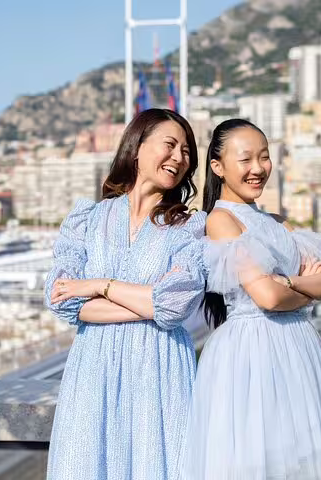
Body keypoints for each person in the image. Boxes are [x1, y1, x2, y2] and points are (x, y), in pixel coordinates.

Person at [182, 119, 321, 479]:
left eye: (264, 157)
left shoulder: (278, 222)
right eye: (245, 159)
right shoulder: (221, 220)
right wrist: (304, 286)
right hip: (252, 354)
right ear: (218, 167)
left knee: (298, 460)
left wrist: (288, 281)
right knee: (257, 460)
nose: (258, 168)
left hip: (297, 350)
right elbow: (268, 297)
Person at [45, 109, 206, 480]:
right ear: (137, 148)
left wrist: (99, 286)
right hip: (93, 372)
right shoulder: (89, 219)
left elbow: (175, 303)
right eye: (170, 145)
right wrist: (150, 302)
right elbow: (62, 299)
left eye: (186, 151)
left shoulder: (189, 227)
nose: (179, 158)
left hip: (160, 371)